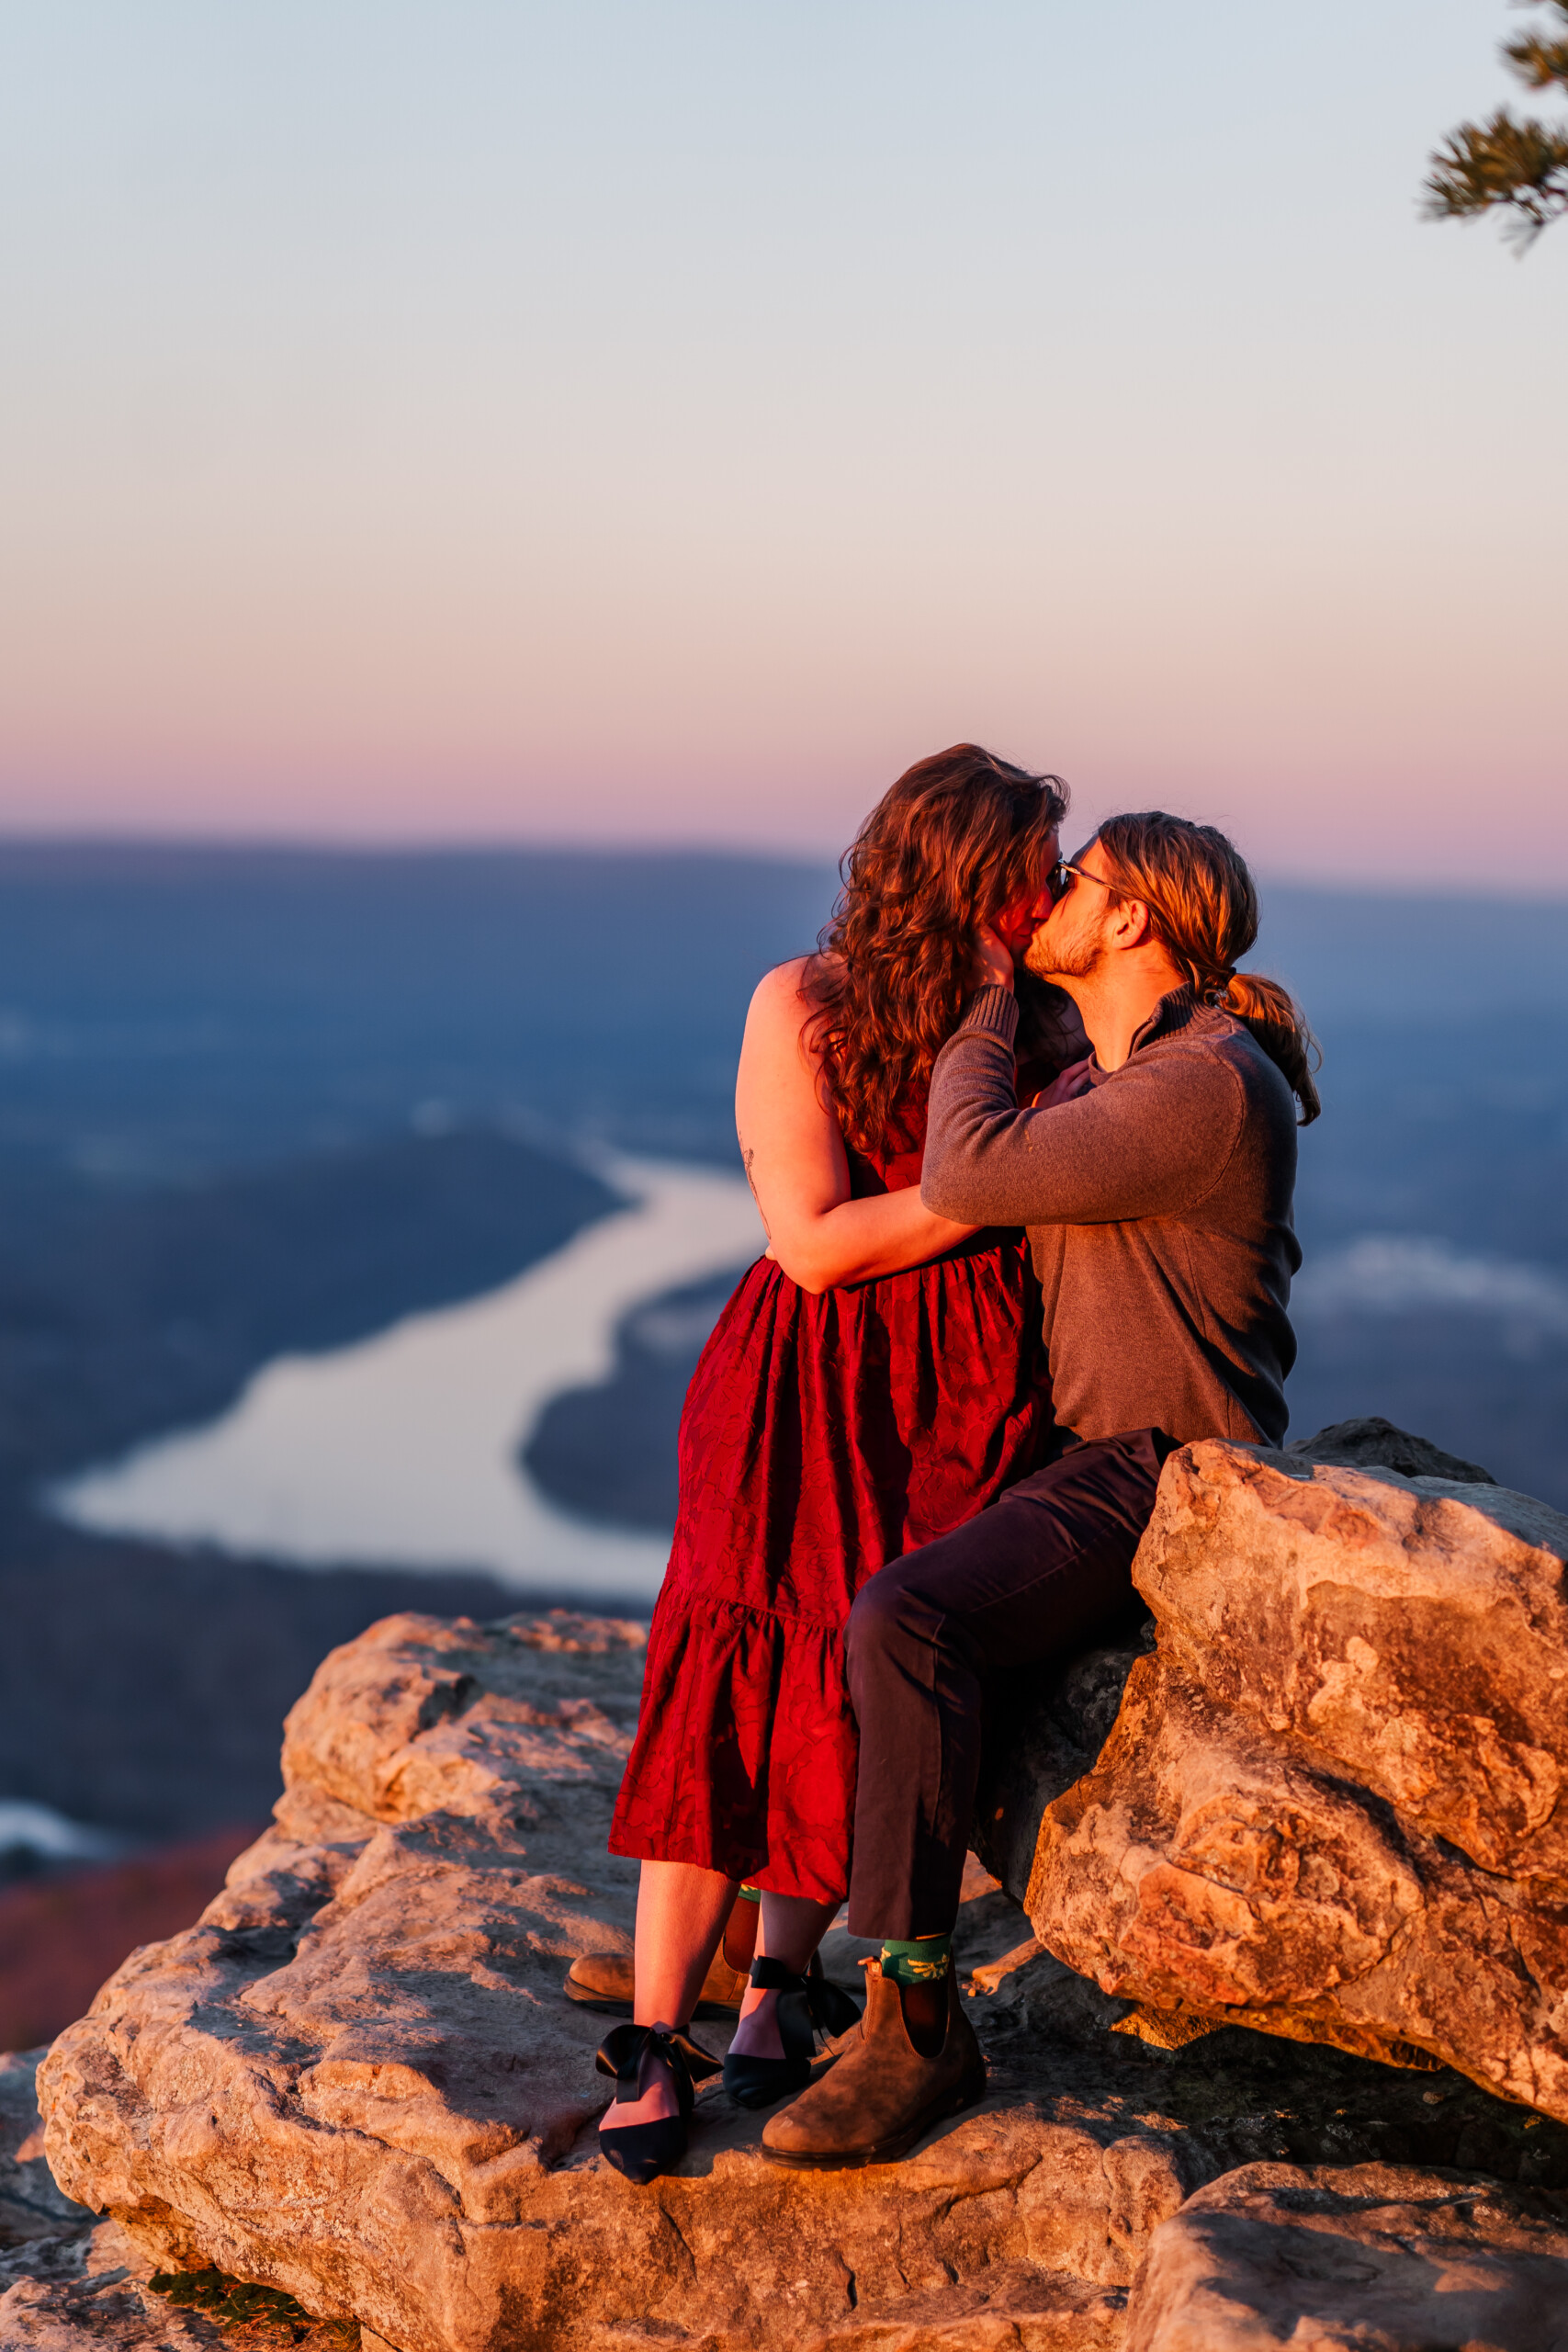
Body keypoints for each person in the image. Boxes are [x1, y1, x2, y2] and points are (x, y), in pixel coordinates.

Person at [761, 810, 1319, 2170]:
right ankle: (749, 1954)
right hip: (1078, 1450)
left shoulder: (1200, 1088)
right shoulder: (1122, 1067)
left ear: (1129, 921)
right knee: (841, 1581)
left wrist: (991, 1001)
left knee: (911, 1618)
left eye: (1071, 883)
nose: (1042, 902)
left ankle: (915, 2028)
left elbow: (966, 1169)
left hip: (1166, 1468)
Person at [592, 744, 1084, 2184]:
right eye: (1033, 868)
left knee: (856, 1687)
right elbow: (810, 1243)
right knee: (730, 1683)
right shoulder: (803, 1004)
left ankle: (773, 2000)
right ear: (959, 871)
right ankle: (654, 2037)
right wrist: (999, 1179)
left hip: (968, 1390)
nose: (1052, 892)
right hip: (804, 1384)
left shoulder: (1044, 1028)